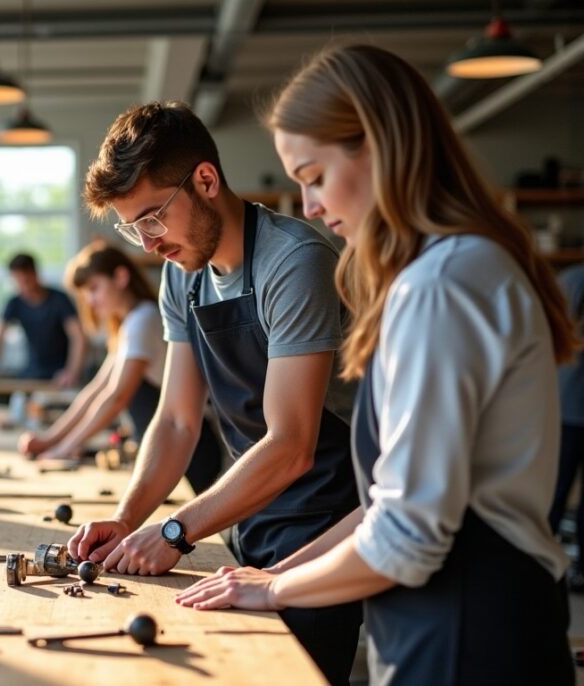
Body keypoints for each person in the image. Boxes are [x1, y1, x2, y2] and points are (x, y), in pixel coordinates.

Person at [175, 45, 577, 685]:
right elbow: (396, 503)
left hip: (466, 628)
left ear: (381, 149)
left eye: (315, 175)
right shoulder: (460, 267)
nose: (307, 205)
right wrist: (281, 575)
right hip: (463, 614)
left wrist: (277, 594)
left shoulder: (439, 285)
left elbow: (408, 537)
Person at [72, 100, 362, 683]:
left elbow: (291, 443)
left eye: (152, 217)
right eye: (132, 228)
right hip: (246, 511)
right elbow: (177, 420)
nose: (147, 244)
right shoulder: (184, 278)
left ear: (205, 180)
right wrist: (130, 518)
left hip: (326, 520)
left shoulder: (294, 262)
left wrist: (178, 530)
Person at [17, 242, 223, 493]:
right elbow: (96, 389)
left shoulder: (143, 320)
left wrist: (64, 448)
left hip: (192, 451)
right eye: (85, 294)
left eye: (94, 288)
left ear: (121, 277)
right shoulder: (129, 324)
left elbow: (116, 397)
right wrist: (51, 439)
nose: (90, 301)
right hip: (173, 448)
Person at [0, 253, 85, 389]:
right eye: (18, 281)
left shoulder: (60, 300)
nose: (24, 286)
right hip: (31, 374)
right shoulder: (14, 303)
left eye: (26, 280)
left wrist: (72, 372)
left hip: (60, 376)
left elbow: (79, 338)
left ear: (35, 274)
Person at [548, 262, 584, 587]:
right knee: (556, 492)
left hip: (565, 404)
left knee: (554, 492)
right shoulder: (571, 282)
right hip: (569, 405)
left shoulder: (565, 280)